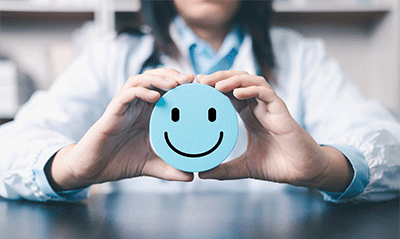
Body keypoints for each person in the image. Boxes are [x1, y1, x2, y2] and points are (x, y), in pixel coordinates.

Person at [0, 0, 399, 203]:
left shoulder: (300, 56)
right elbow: (9, 147)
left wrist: (327, 167)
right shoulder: (111, 56)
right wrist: (70, 167)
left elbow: (389, 143)